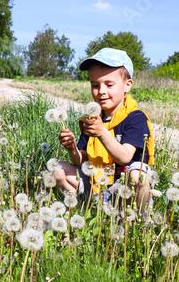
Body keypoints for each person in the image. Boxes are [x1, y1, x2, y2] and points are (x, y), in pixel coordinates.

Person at [54, 48, 154, 212]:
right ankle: (79, 212)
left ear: (127, 85)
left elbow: (124, 157)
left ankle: (134, 221)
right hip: (95, 184)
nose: (101, 91)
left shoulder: (135, 118)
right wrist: (72, 148)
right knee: (57, 170)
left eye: (109, 84)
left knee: (138, 177)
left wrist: (101, 132)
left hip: (123, 189)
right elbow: (82, 161)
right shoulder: (92, 119)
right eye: (95, 85)